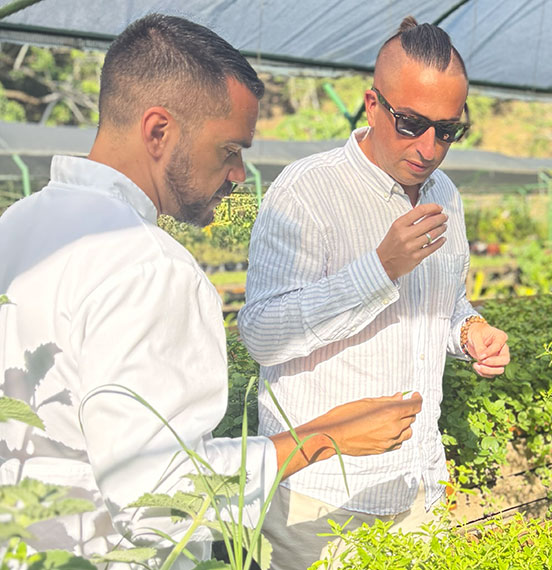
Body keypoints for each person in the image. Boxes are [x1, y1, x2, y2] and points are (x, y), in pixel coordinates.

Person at [0, 14, 421, 567]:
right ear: (158, 131)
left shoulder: (17, 225)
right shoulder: (150, 267)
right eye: (229, 150)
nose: (239, 175)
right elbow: (161, 497)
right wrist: (321, 439)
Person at [238, 16, 511, 567]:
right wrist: (380, 268)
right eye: (411, 123)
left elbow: (445, 301)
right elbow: (261, 336)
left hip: (419, 485)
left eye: (448, 130)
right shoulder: (307, 191)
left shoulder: (445, 195)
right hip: (323, 501)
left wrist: (469, 330)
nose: (430, 147)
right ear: (372, 104)